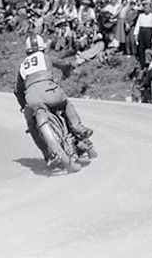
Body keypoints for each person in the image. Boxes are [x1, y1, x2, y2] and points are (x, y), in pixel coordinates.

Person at [14, 35, 93, 165]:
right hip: (50, 91)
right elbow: (63, 64)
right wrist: (68, 70)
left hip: (32, 98)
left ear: (27, 50)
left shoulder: (23, 66)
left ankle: (47, 154)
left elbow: (18, 90)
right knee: (65, 103)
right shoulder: (45, 57)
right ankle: (78, 127)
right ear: (42, 47)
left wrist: (23, 105)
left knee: (32, 126)